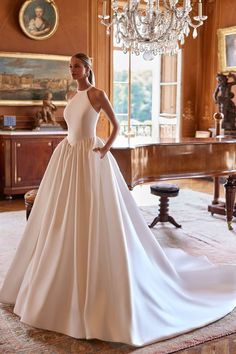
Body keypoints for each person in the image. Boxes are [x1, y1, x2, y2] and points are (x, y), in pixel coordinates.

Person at [1, 52, 236, 347]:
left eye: (77, 66)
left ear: (88, 68)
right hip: (68, 157)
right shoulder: (71, 95)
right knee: (63, 217)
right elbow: (73, 126)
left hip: (89, 158)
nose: (73, 70)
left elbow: (115, 125)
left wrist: (104, 150)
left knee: (94, 213)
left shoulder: (98, 94)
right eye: (70, 66)